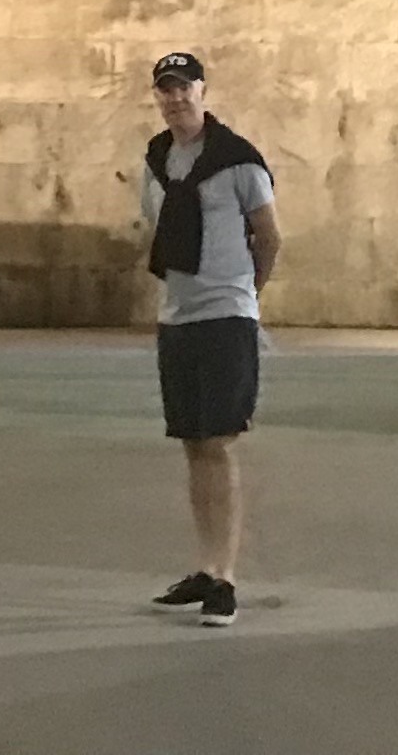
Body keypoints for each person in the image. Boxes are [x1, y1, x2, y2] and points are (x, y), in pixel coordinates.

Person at [139, 48, 278, 626]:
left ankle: (224, 577)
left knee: (217, 442)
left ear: (202, 91)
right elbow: (156, 229)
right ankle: (204, 564)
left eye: (185, 87)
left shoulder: (237, 160)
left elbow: (268, 235)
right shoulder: (156, 159)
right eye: (166, 88)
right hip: (179, 317)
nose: (176, 98)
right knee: (193, 442)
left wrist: (245, 295)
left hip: (225, 316)